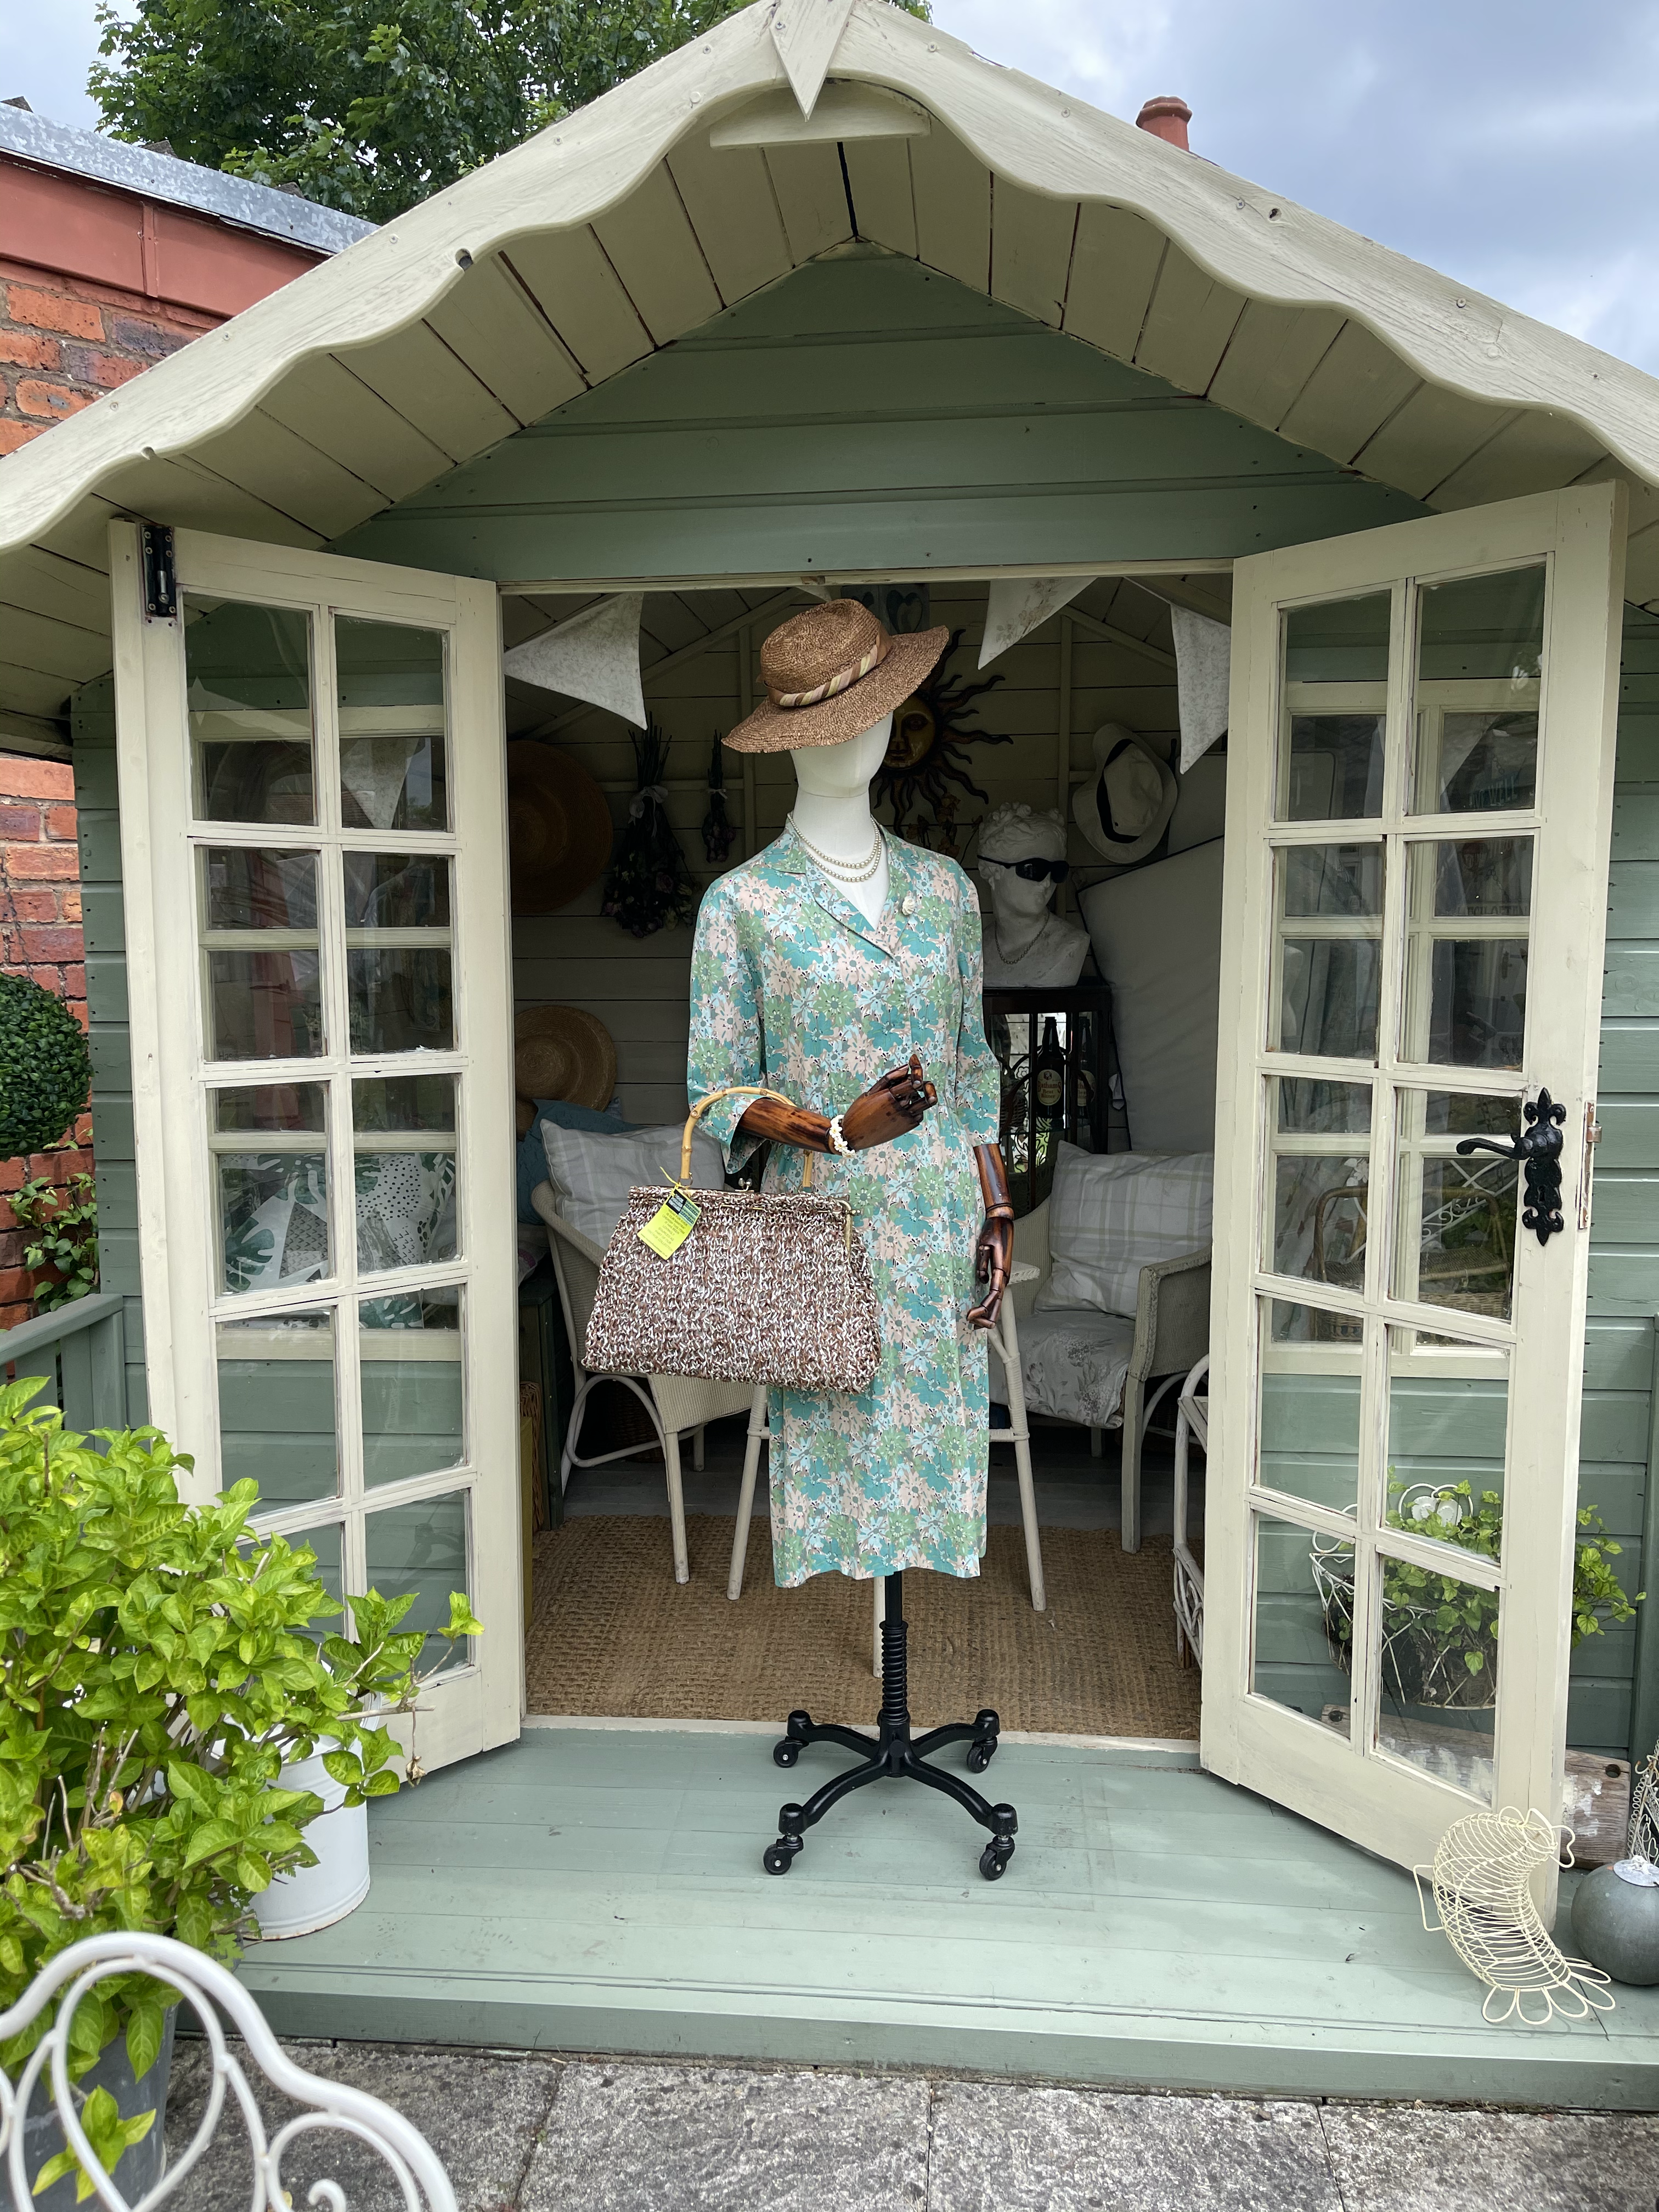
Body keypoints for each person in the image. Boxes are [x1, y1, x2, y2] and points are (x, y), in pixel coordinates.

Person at [686, 598, 1013, 1588]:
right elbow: (717, 1089)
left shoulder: (947, 890)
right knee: (836, 1445)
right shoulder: (743, 905)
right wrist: (830, 1129)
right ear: (792, 737)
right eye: (841, 716)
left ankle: (906, 1698)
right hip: (820, 1233)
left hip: (936, 1228)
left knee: (932, 1458)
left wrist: (998, 1209)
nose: (865, 732)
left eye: (878, 706)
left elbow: (972, 1067)